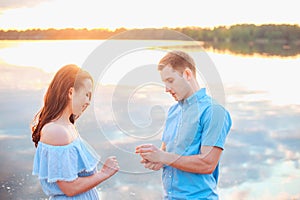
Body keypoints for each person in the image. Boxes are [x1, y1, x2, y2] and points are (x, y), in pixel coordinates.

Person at [136, 50, 232, 199]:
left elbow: (207, 164)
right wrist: (156, 160)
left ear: (187, 75)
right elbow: (167, 153)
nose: (166, 89)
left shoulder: (214, 112)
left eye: (170, 81)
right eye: (164, 82)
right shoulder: (173, 111)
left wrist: (163, 157)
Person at [31, 64, 119, 199]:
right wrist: (104, 173)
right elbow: (69, 188)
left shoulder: (68, 125)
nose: (88, 102)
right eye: (86, 95)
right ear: (71, 92)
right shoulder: (56, 131)